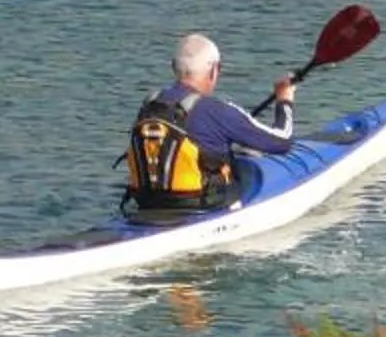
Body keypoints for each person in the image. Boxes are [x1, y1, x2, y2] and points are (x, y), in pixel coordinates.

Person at [125, 32, 296, 212]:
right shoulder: (217, 110)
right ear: (214, 70)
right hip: (203, 206)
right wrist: (284, 100)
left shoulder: (149, 105)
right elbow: (282, 141)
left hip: (147, 204)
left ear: (174, 67)